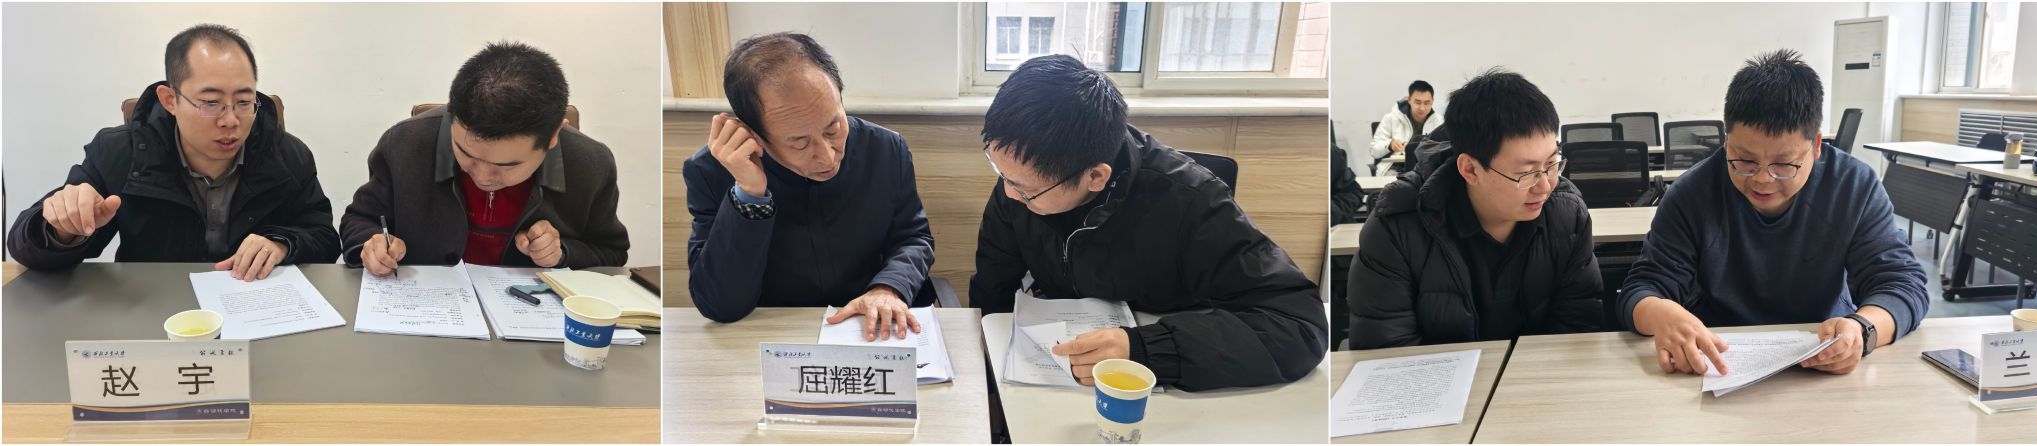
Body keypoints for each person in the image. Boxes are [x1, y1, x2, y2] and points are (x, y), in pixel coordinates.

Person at [971, 55, 1326, 391]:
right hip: (1057, 365)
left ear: (1095, 177)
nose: (1008, 193)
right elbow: (993, 285)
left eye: (1026, 190)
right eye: (1001, 173)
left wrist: (1146, 349)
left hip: (1161, 381)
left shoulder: (1192, 201)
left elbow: (1299, 325)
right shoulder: (1019, 183)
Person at [1620, 49, 1928, 376]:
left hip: (1823, 354)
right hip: (1719, 360)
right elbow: (1642, 289)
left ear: (1816, 146)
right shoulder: (1692, 193)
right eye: (1745, 160)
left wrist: (1862, 330)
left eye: (1784, 164)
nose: (1763, 179)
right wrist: (1664, 314)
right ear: (1726, 141)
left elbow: (1902, 283)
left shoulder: (1853, 187)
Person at [6, 24, 338, 279]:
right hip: (151, 311)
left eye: (244, 101)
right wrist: (63, 230)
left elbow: (324, 238)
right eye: (211, 102)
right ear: (170, 100)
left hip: (254, 306)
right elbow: (25, 247)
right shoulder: (120, 152)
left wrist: (282, 243)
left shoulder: (287, 155)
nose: (231, 120)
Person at [682, 32, 936, 341]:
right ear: (754, 135)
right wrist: (749, 194)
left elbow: (913, 238)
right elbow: (720, 305)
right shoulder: (711, 171)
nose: (827, 156)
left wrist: (887, 289)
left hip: (871, 329)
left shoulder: (885, 149)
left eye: (833, 128)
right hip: (776, 336)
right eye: (799, 143)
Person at [1348, 69, 1604, 349]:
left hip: (1537, 373)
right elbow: (1386, 353)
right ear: (1470, 169)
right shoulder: (1396, 229)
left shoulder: (1567, 217)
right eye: (1526, 173)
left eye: (1552, 163)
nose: (1545, 186)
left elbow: (1577, 333)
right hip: (1438, 375)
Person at [340, 42, 629, 276]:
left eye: (506, 165)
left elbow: (611, 252)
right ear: (452, 115)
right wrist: (372, 243)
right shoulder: (405, 144)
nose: (482, 176)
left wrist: (562, 252)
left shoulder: (590, 165)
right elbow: (360, 218)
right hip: (427, 310)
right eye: (466, 153)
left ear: (553, 136)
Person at [1368, 80, 1443, 167]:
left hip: (1426, 167)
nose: (1422, 108)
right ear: (1409, 100)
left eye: (1427, 103)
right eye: (1418, 103)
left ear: (1432, 101)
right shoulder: (1391, 118)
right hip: (1396, 168)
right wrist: (1389, 145)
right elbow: (1374, 151)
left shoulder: (1439, 121)